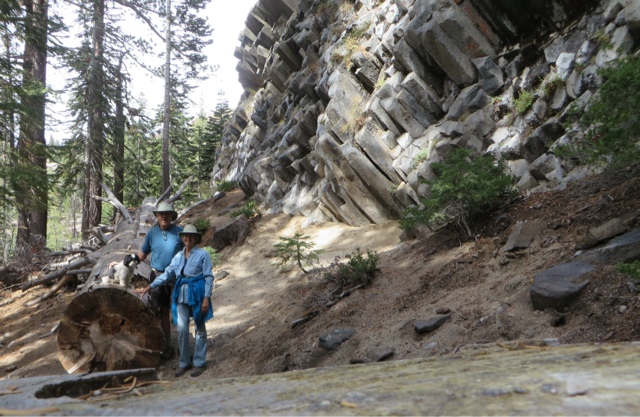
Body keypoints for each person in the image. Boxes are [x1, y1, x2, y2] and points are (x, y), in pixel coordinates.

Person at [139, 224, 214, 378]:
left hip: (198, 293)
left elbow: (208, 277)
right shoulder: (178, 256)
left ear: (195, 239)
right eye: (185, 236)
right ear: (182, 238)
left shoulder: (203, 255)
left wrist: (206, 298)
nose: (188, 239)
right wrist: (149, 287)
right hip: (181, 294)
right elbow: (167, 274)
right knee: (181, 329)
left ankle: (199, 362)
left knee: (200, 328)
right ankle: (184, 362)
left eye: (191, 236)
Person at [137, 202, 183, 360]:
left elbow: (189, 252)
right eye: (161, 214)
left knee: (180, 309)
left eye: (167, 214)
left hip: (177, 276)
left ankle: (183, 344)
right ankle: (168, 345)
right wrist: (127, 261)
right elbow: (143, 253)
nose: (164, 216)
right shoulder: (152, 233)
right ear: (157, 216)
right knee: (162, 310)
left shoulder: (179, 232)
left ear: (171, 216)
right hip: (157, 275)